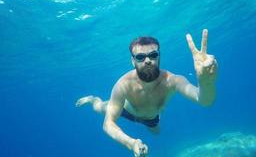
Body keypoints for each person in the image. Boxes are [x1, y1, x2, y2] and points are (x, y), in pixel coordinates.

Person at [76, 29, 218, 157]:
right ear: (133, 61)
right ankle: (92, 99)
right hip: (125, 109)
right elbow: (108, 124)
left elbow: (205, 100)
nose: (148, 60)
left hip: (151, 118)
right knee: (98, 107)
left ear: (159, 56)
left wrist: (206, 82)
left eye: (153, 55)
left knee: (156, 133)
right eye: (140, 57)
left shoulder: (173, 81)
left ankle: (151, 120)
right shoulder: (123, 85)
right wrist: (132, 144)